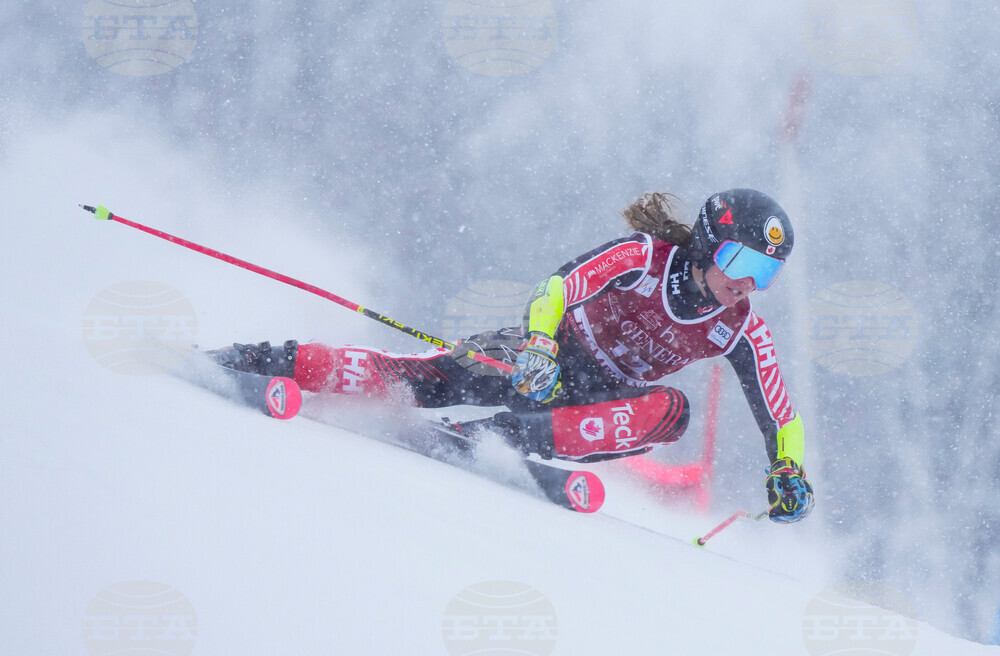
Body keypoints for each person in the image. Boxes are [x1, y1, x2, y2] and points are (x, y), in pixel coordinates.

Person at [210, 188, 814, 523]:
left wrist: (787, 469)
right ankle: (275, 360)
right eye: (741, 263)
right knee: (422, 379)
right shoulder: (644, 259)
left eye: (766, 273)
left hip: (600, 402)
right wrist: (541, 346)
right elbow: (559, 288)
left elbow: (780, 414)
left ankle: (496, 437)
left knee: (673, 411)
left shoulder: (741, 329)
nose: (748, 284)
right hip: (545, 362)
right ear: (708, 248)